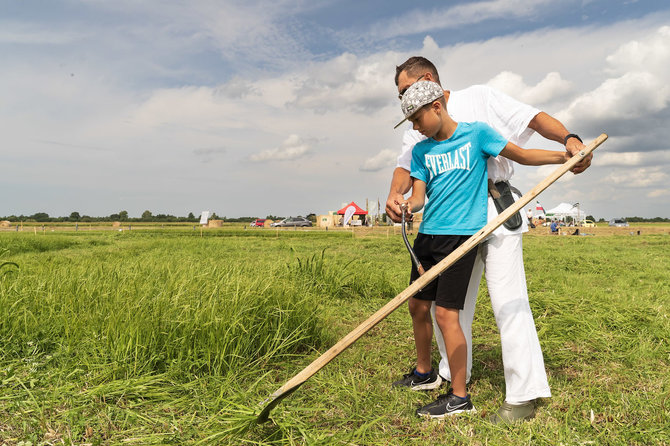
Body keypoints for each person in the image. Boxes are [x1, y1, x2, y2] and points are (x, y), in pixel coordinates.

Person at [387, 56, 592, 423]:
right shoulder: (418, 128)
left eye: (405, 90)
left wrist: (569, 144)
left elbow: (531, 121)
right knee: (448, 309)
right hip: (446, 223)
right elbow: (407, 167)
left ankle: (523, 393)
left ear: (428, 82)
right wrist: (397, 198)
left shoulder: (478, 101)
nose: (404, 101)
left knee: (508, 302)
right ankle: (451, 380)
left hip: (495, 207)